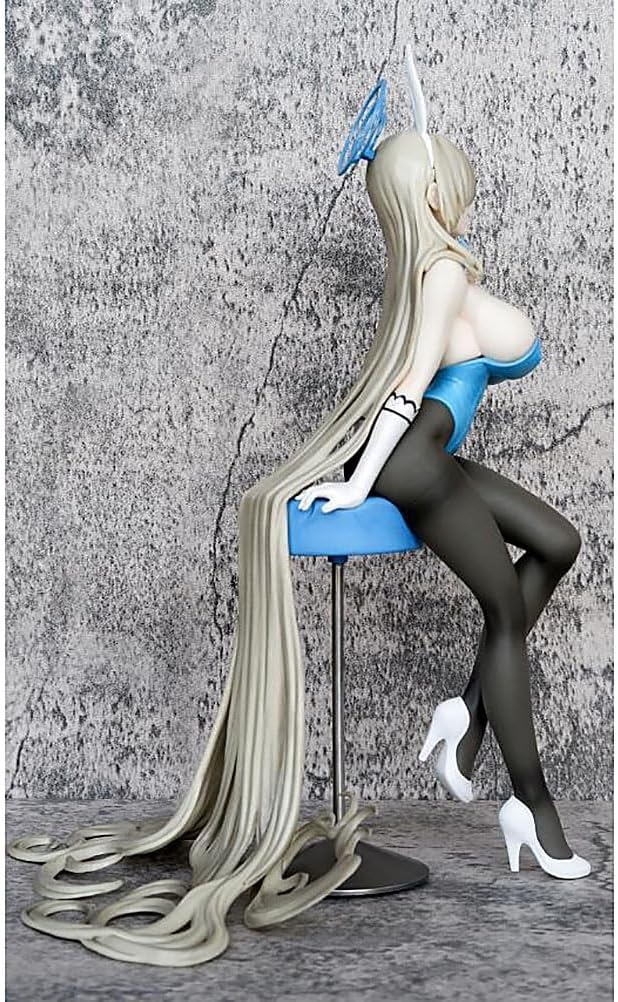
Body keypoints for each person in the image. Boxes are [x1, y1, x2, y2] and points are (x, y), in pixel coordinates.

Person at [7, 80, 588, 971]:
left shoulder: (439, 267)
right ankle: (532, 810)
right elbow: (407, 388)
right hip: (415, 462)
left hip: (430, 456)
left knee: (559, 543)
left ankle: (464, 716)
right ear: (434, 193)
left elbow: (430, 379)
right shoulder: (439, 275)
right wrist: (359, 486)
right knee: (505, 613)